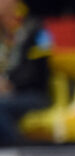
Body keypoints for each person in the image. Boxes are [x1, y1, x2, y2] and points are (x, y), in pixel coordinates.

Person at [0, 0, 52, 145]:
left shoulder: (37, 29)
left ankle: (17, 153)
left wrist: (10, 83)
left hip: (35, 94)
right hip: (7, 97)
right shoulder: (2, 34)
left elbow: (39, 69)